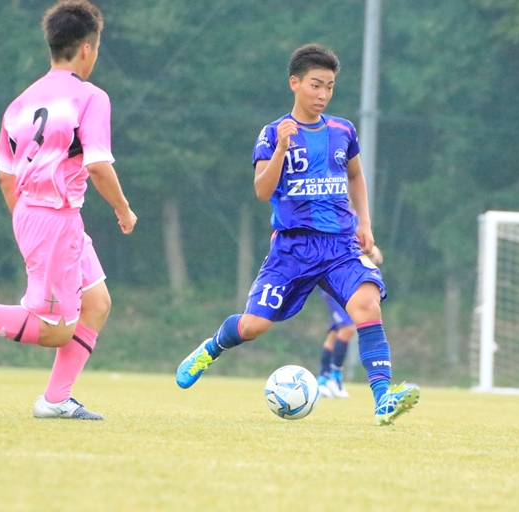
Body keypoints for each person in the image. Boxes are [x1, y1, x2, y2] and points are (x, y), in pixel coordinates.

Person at [0, 0, 137, 420]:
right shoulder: (91, 97)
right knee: (55, 331)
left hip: (44, 215)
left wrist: (28, 221)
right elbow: (97, 164)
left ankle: (55, 400)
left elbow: (5, 177)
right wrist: (123, 210)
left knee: (96, 303)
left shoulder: (20, 103)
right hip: (54, 219)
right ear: (87, 49)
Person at [175, 44, 419, 426]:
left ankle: (383, 399)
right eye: (316, 85)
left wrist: (365, 223)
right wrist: (282, 149)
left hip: (339, 246)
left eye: (330, 87)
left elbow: (355, 175)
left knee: (368, 304)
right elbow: (262, 190)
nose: (323, 95)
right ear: (295, 83)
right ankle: (211, 348)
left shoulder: (343, 130)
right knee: (254, 326)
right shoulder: (273, 133)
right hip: (293, 248)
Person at [317, 245, 383, 399]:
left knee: (335, 333)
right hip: (334, 284)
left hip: (343, 285)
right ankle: (334, 377)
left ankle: (323, 379)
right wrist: (372, 249)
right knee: (347, 327)